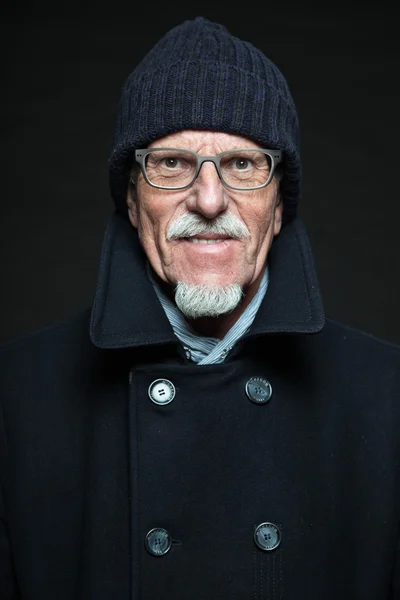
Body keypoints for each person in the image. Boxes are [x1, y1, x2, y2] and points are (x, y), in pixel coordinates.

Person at [1, 16, 399, 600]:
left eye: (243, 164)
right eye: (171, 164)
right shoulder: (14, 399)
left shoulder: (388, 400)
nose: (209, 200)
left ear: (280, 205)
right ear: (133, 203)